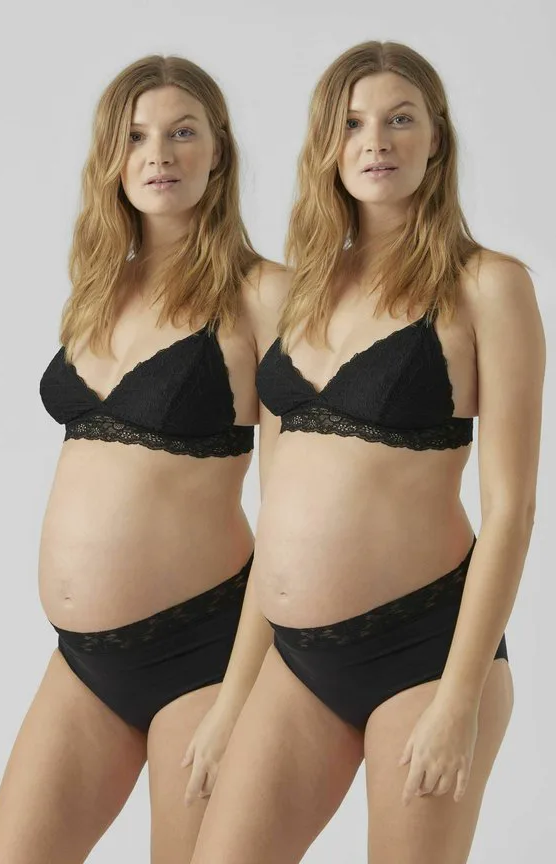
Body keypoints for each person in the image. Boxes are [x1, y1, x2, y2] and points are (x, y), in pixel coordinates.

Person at [190, 40, 545, 864]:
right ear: (328, 144)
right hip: (294, 661)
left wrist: (459, 698)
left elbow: (513, 511)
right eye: (352, 124)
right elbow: (277, 514)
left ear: (437, 138)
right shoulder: (304, 290)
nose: (376, 141)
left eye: (400, 119)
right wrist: (232, 698)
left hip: (425, 654)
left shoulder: (489, 286)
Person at [0, 55, 287, 864]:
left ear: (218, 150)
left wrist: (243, 697)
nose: (159, 155)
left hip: (207, 655)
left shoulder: (264, 297)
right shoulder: (96, 289)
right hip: (84, 664)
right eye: (137, 136)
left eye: (183, 133)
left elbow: (297, 513)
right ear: (111, 158)